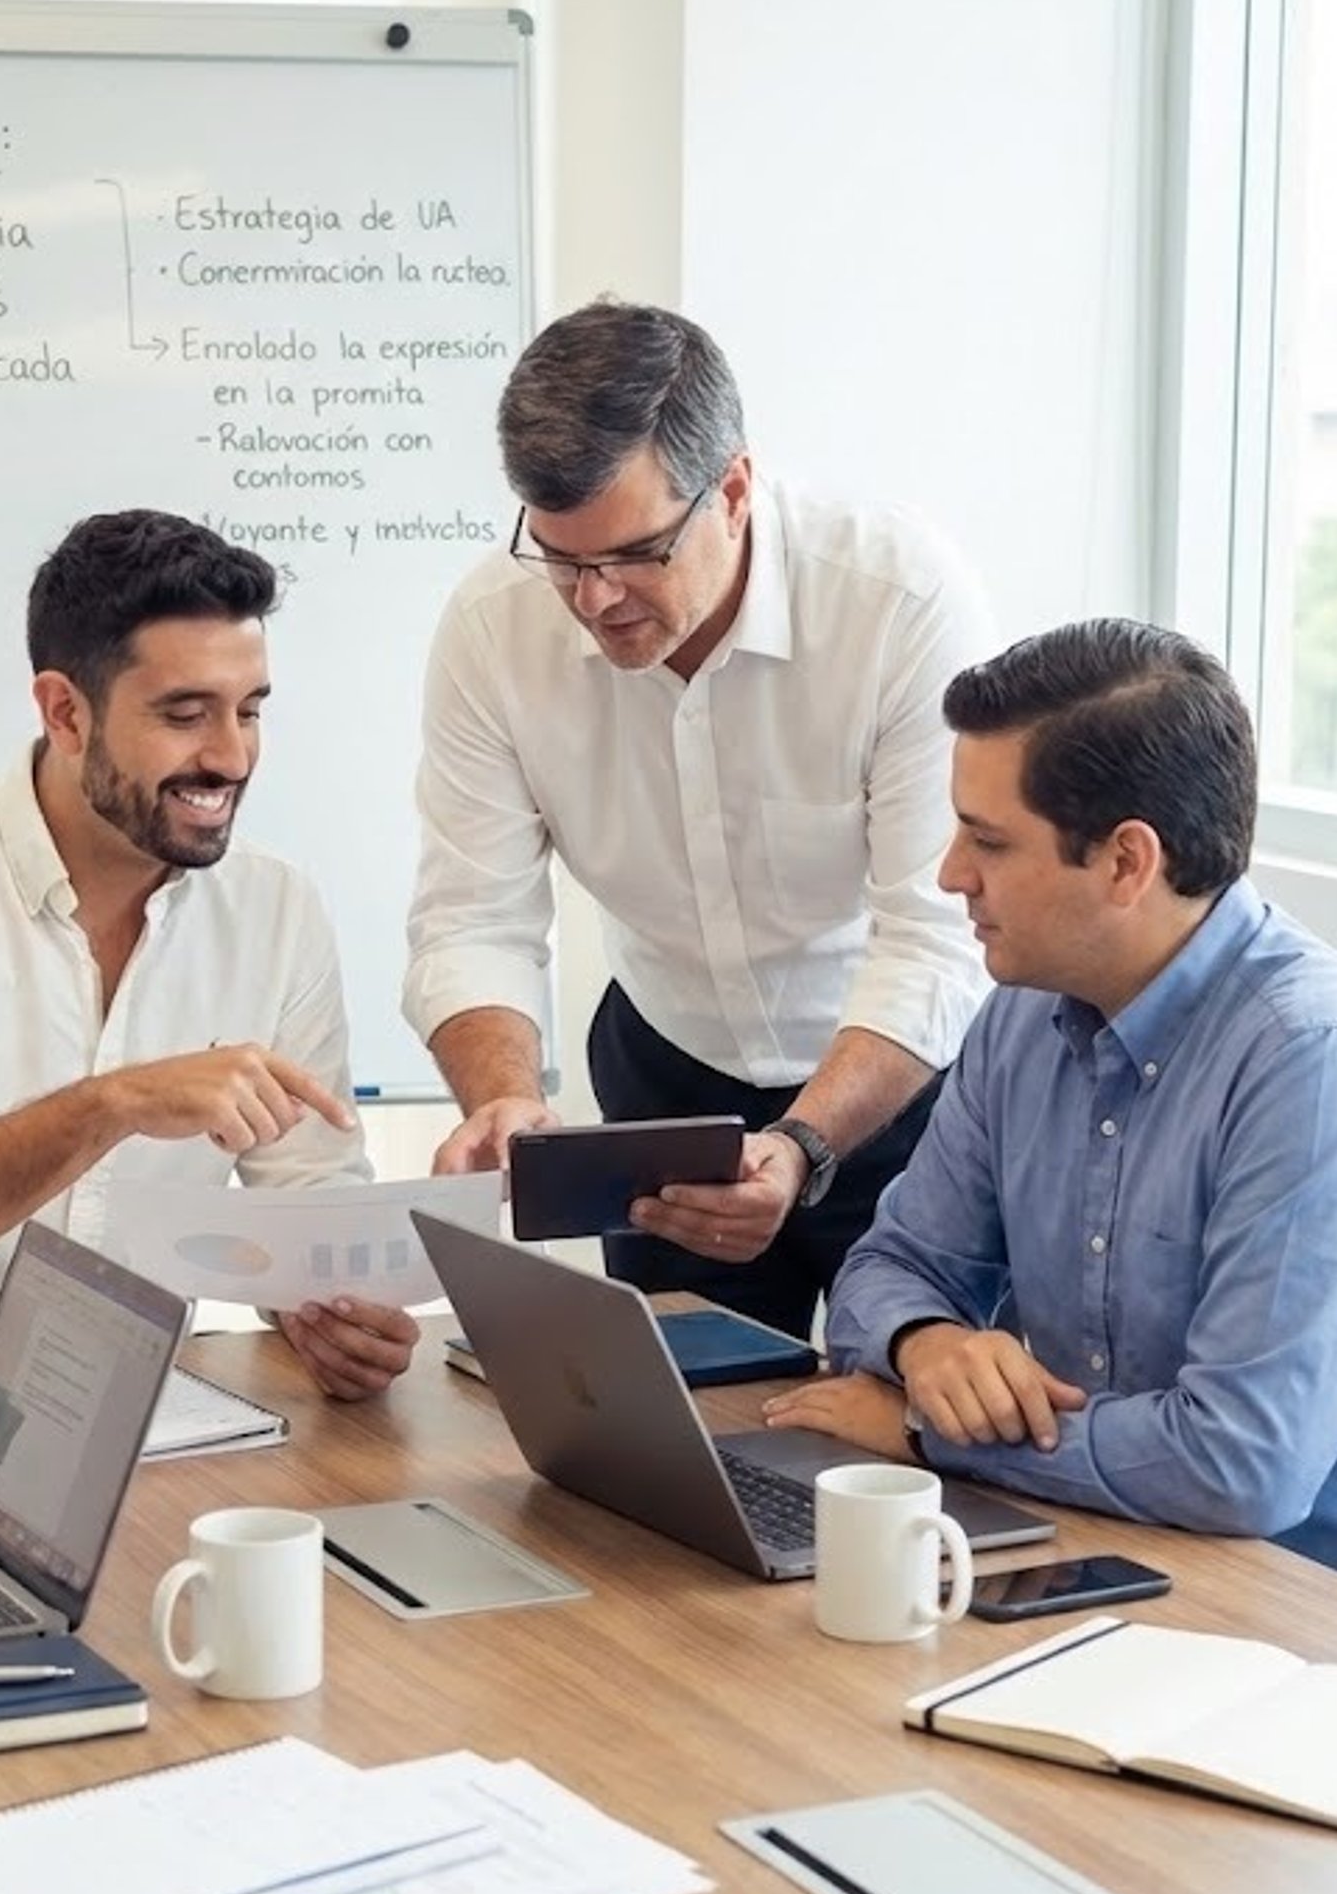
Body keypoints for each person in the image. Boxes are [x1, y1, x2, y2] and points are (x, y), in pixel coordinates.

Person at [765, 618, 1337, 1590]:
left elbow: (1242, 1465)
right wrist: (926, 1342)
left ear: (1125, 862)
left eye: (987, 840)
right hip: (1123, 1547)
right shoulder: (1023, 1014)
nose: (950, 875)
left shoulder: (1322, 1063)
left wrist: (920, 1423)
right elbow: (892, 1264)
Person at [406, 299, 991, 1339]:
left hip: (903, 1089)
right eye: (562, 558)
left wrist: (806, 1142)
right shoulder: (493, 627)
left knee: (922, 1424)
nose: (594, 599)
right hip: (667, 1077)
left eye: (634, 553)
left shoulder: (895, 598)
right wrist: (500, 1099)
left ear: (732, 489)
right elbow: (471, 918)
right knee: (674, 1442)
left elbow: (933, 934)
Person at [0, 507, 416, 1404]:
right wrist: (114, 1103)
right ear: (65, 711)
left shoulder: (275, 907)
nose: (231, 755)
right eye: (185, 714)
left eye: (249, 711)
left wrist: (327, 1310)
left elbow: (309, 1195)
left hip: (117, 1414)